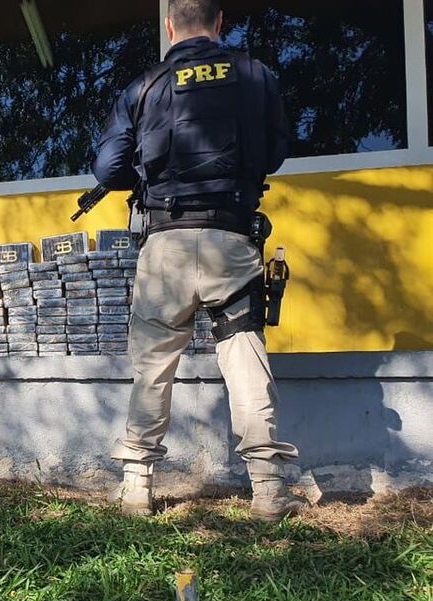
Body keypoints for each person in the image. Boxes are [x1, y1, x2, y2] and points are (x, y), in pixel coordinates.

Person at [93, 0, 305, 521]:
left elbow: (108, 166)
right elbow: (276, 152)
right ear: (219, 24)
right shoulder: (255, 75)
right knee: (244, 359)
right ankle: (270, 491)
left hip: (164, 244)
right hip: (230, 241)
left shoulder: (145, 86)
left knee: (153, 367)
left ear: (170, 27)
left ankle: (136, 488)